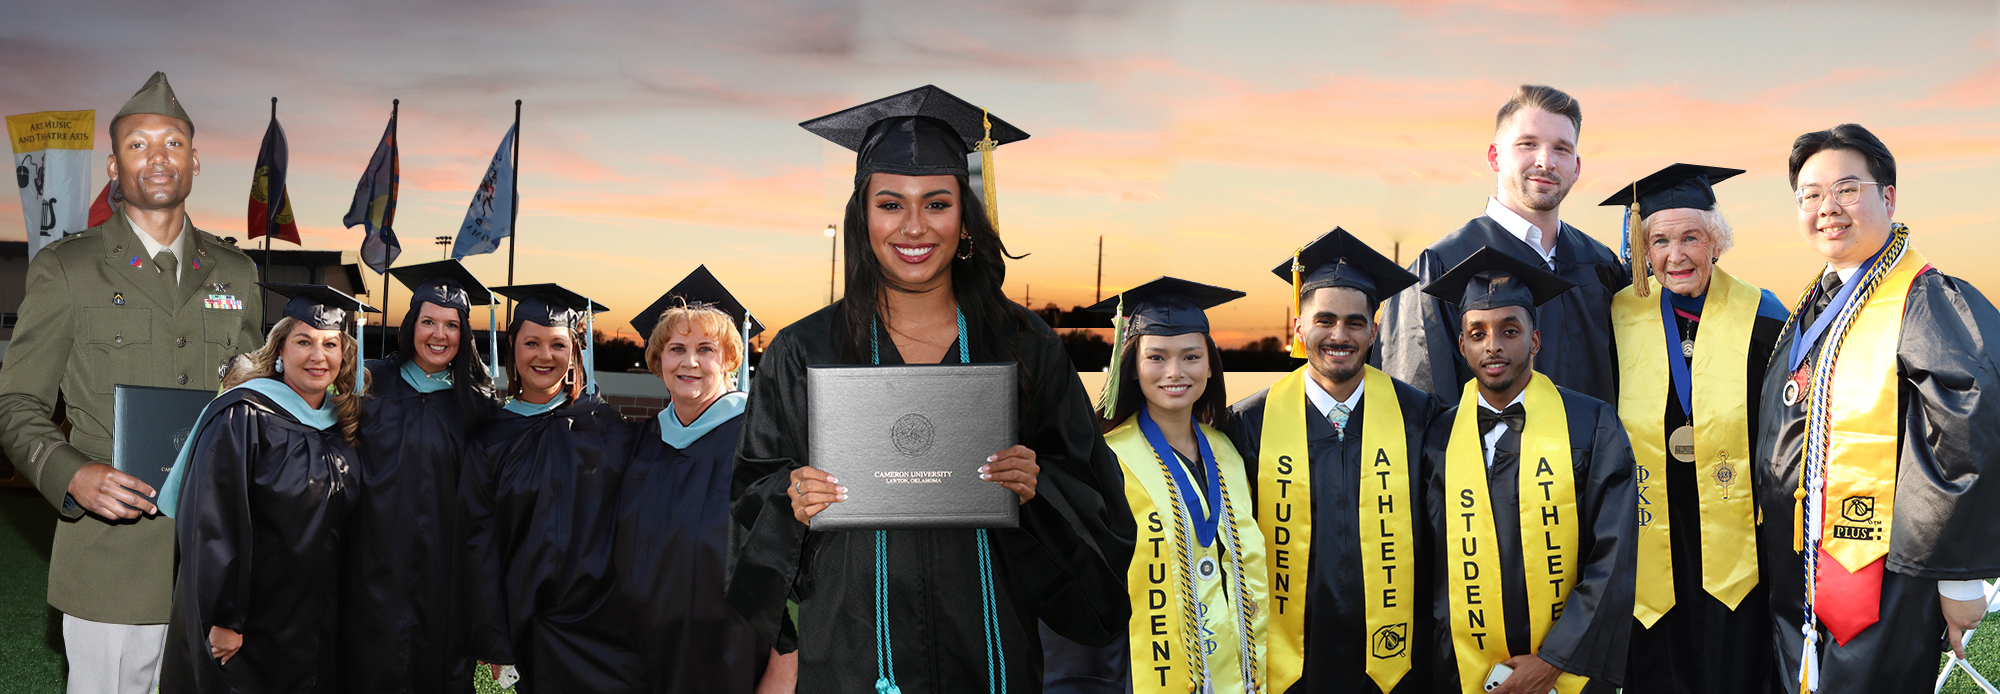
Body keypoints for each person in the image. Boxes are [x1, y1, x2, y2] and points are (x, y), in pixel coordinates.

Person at [726, 85, 1133, 693]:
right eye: (890, 203)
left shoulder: (1026, 345)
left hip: (990, 657)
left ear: (965, 216)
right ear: (862, 216)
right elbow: (749, 502)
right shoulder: (802, 351)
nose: (914, 226)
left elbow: (1095, 502)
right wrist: (792, 504)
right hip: (851, 662)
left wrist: (1037, 489)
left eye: (937, 202)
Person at [0, 71, 264, 694]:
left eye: (172, 143)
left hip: (213, 555)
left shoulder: (237, 271)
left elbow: (254, 403)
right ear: (114, 167)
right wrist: (70, 473)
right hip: (111, 556)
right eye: (138, 145)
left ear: (195, 161)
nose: (158, 158)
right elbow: (16, 403)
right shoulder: (67, 269)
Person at [1755, 124, 2000, 694]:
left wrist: (1957, 579)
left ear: (1888, 197)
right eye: (1809, 195)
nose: (1827, 209)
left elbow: (1967, 431)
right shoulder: (1818, 303)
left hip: (1883, 579)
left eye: (1847, 189)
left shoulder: (1925, 298)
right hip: (1804, 574)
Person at [1227, 228, 1442, 694]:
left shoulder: (1422, 418)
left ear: (1375, 329)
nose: (1339, 336)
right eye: (1324, 320)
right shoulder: (1247, 425)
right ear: (1299, 327)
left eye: (1354, 322)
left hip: (1400, 662)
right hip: (1291, 665)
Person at [1601, 165, 1786, 693]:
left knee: (1735, 659)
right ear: (1644, 251)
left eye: (1691, 238)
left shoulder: (1764, 316)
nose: (1675, 255)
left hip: (1737, 524)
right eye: (1659, 240)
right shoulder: (1617, 318)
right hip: (1651, 518)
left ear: (1717, 244)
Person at [1418, 249, 1637, 694]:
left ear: (1535, 340)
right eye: (1477, 333)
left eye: (1510, 330)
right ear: (1462, 346)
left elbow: (1612, 559)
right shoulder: (1435, 437)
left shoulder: (1592, 425)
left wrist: (1553, 660)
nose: (1492, 345)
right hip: (1459, 665)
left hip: (1564, 667)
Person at [1044, 276, 1268, 694]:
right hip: (1140, 671)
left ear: (1210, 364)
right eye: (1157, 358)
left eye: (1190, 357)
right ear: (1132, 367)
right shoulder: (1106, 460)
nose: (1175, 372)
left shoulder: (1229, 454)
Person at [156, 284, 375, 693]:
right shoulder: (243, 416)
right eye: (304, 341)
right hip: (253, 623)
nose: (318, 356)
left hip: (316, 619)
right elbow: (212, 522)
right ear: (279, 350)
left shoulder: (342, 426)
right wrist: (223, 618)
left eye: (330, 344)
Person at [1378, 85, 1628, 406]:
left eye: (1561, 149)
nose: (1546, 161)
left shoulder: (1600, 264)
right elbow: (1416, 406)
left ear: (1577, 167)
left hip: (1600, 455)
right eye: (1528, 144)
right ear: (1495, 157)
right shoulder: (1441, 266)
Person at [611, 266, 796, 693]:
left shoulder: (764, 446)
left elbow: (805, 579)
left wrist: (780, 681)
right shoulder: (643, 442)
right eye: (676, 348)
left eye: (706, 349)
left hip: (731, 663)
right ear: (658, 360)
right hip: (645, 660)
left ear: (730, 359)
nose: (689, 362)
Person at [459, 283, 641, 694]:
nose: (545, 356)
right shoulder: (490, 439)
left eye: (558, 344)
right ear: (513, 348)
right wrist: (493, 640)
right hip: (520, 625)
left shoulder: (605, 426)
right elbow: (477, 544)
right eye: (532, 343)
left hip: (600, 625)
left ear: (574, 351)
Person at [340, 259, 501, 694]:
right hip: (372, 562)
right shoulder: (370, 385)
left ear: (464, 335)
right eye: (428, 321)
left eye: (451, 325)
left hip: (445, 571)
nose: (439, 334)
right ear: (411, 324)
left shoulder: (477, 404)